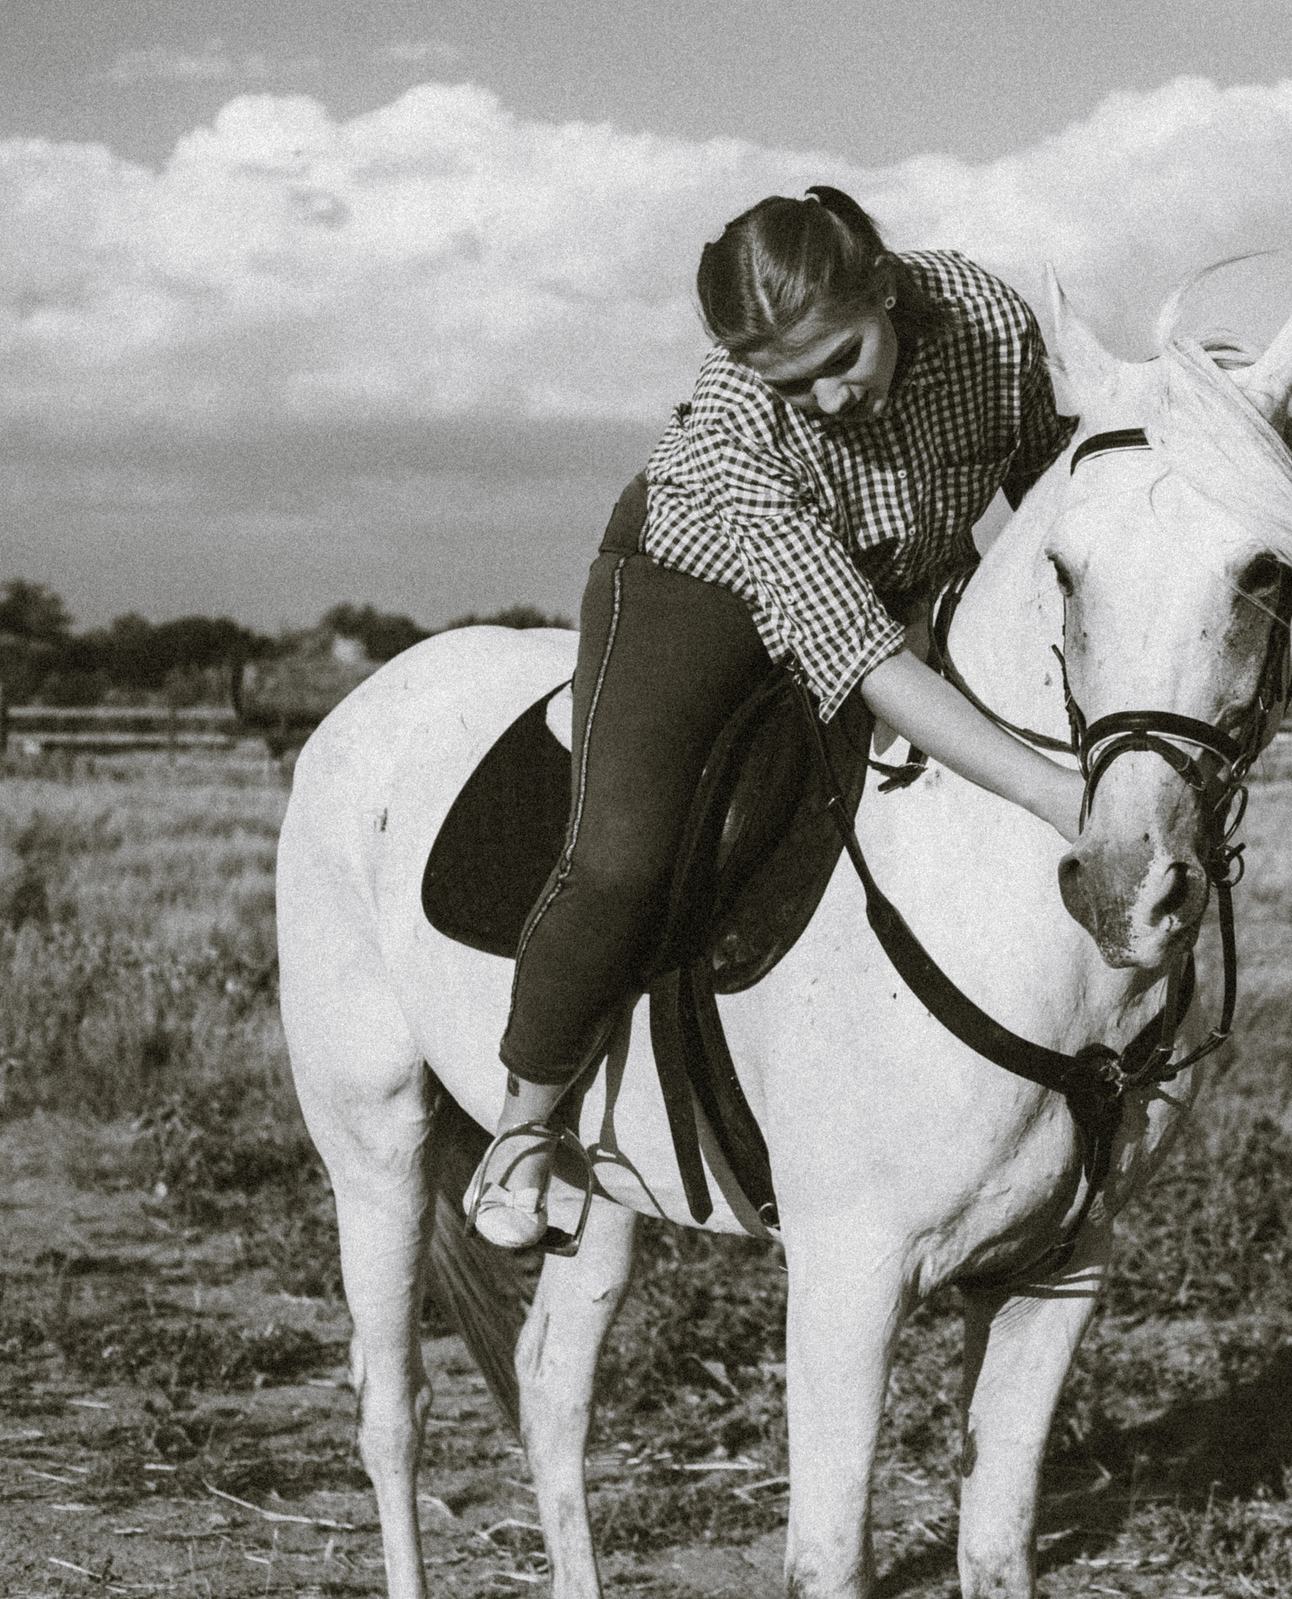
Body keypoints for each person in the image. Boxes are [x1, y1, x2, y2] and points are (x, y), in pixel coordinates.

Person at [464, 185, 1085, 1250]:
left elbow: (1045, 488)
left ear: (885, 289)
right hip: (696, 587)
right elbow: (866, 661)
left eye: (843, 357)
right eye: (794, 385)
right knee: (625, 856)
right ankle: (522, 1130)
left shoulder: (991, 317)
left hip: (905, 572)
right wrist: (1048, 789)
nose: (832, 398)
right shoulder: (738, 432)